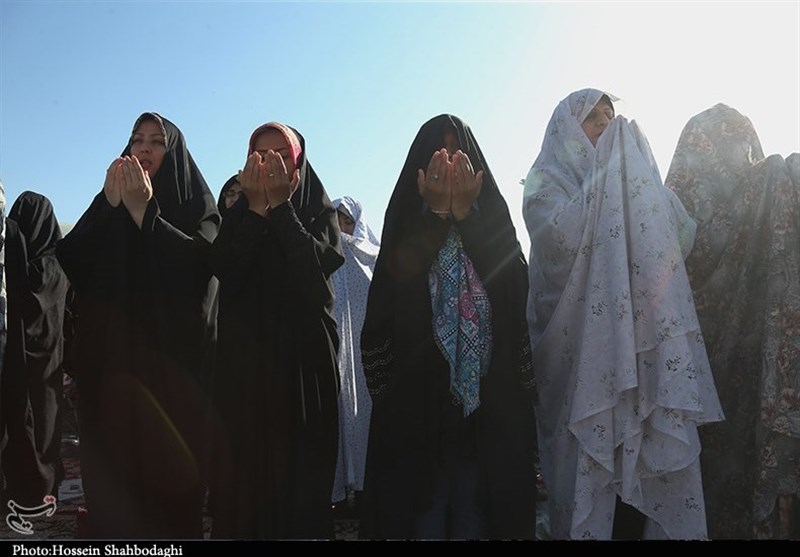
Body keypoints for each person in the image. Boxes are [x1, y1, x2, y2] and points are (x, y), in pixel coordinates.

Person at [522, 89, 724, 540]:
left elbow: (679, 234)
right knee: (588, 484)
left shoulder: (638, 186)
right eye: (592, 118)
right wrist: (612, 186)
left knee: (640, 497)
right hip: (581, 370)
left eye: (609, 116)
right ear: (567, 130)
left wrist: (636, 179)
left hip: (641, 366)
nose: (605, 125)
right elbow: (558, 241)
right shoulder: (547, 185)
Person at [359, 114, 538, 540]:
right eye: (438, 155)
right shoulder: (406, 223)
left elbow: (514, 290)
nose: (450, 164)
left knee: (478, 515)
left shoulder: (492, 221)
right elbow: (390, 299)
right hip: (418, 414)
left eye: (458, 153)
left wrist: (468, 218)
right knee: (425, 515)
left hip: (487, 417)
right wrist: (437, 216)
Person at [55, 112, 220, 538]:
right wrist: (108, 205)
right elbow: (74, 263)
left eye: (156, 141)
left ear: (173, 152)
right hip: (113, 377)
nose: (144, 148)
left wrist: (146, 214)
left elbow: (199, 272)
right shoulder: (109, 206)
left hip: (171, 383)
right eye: (137, 139)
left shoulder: (195, 206)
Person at [664, 104, 800, 539]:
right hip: (702, 378)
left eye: (744, 143)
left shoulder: (767, 198)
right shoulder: (669, 219)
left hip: (734, 373)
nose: (740, 158)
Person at [209, 122, 343, 539]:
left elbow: (313, 275)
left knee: (301, 483)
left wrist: (282, 209)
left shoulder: (317, 214)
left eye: (281, 157)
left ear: (298, 166)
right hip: (246, 375)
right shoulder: (237, 218)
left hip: (303, 373)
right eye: (260, 157)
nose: (270, 165)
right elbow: (227, 271)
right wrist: (253, 211)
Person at [6, 191, 70, 504]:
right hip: (45, 357)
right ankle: (37, 485)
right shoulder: (57, 261)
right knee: (36, 421)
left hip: (28, 357)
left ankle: (32, 486)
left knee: (35, 422)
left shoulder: (44, 264)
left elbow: (28, 294)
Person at [330, 196, 379, 510]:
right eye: (336, 221)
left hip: (365, 360)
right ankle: (335, 493)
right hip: (335, 354)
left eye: (347, 221)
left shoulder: (372, 257)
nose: (342, 228)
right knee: (335, 419)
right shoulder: (325, 253)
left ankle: (364, 490)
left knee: (365, 421)